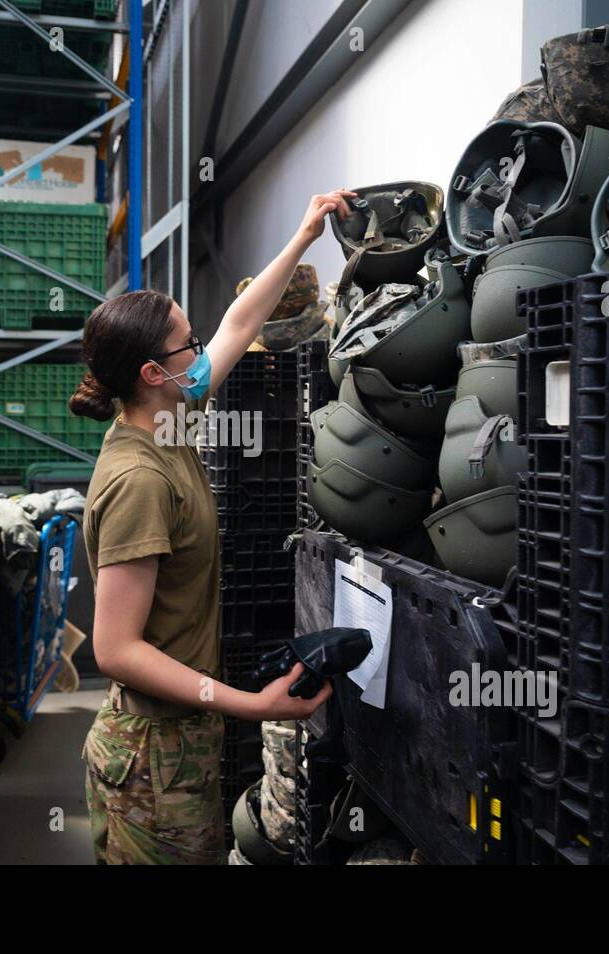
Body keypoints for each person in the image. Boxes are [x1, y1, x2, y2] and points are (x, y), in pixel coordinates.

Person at [69, 188, 358, 865]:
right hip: (151, 758)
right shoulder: (140, 479)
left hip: (179, 740)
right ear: (152, 372)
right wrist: (249, 705)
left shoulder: (168, 417)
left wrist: (305, 231)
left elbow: (235, 324)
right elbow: (114, 648)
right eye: (185, 344)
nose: (200, 350)